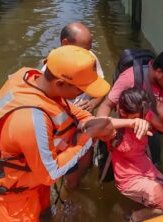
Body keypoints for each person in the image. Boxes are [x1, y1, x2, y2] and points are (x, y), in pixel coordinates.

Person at [0, 45, 151, 221]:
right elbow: (49, 174)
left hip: (33, 178)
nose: (84, 93)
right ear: (60, 84)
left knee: (45, 216)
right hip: (13, 195)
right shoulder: (32, 120)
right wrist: (88, 137)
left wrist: (112, 123)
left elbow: (76, 113)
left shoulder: (32, 78)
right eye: (80, 89)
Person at [97, 48, 163, 164]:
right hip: (124, 130)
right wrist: (101, 130)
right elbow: (107, 104)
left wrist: (161, 119)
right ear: (159, 72)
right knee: (113, 166)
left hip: (150, 131)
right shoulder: (129, 78)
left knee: (153, 164)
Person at [111, 88, 163, 221]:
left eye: (142, 117)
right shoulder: (114, 131)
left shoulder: (145, 114)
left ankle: (137, 215)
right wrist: (130, 123)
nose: (140, 121)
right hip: (129, 180)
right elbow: (92, 124)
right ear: (122, 112)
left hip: (147, 170)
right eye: (136, 118)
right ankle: (136, 217)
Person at [58, 21, 106, 188]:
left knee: (87, 161)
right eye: (84, 49)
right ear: (65, 44)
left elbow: (102, 89)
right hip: (63, 132)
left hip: (85, 123)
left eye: (90, 48)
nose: (88, 54)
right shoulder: (51, 73)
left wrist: (93, 103)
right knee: (70, 177)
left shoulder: (90, 59)